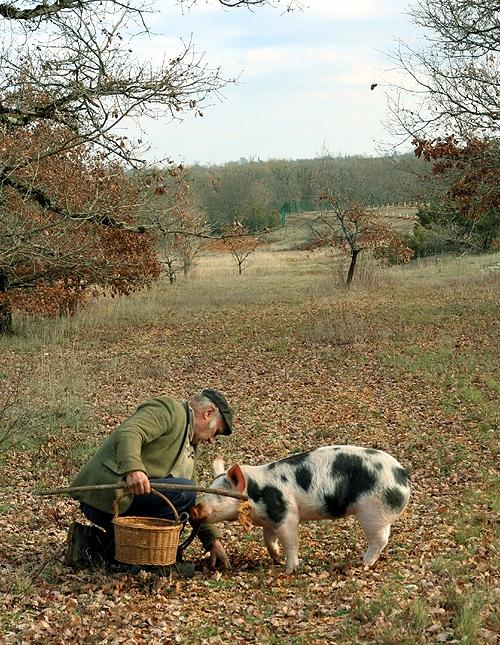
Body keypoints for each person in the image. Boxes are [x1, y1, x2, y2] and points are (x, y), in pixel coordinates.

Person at [65, 389, 233, 573]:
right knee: (184, 491)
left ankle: (89, 543)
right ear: (207, 413)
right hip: (108, 495)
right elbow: (130, 432)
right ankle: (155, 564)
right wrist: (134, 469)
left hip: (132, 500)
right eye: (216, 432)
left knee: (186, 491)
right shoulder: (169, 409)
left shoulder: (189, 445)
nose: (211, 440)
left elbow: (196, 500)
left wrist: (213, 542)